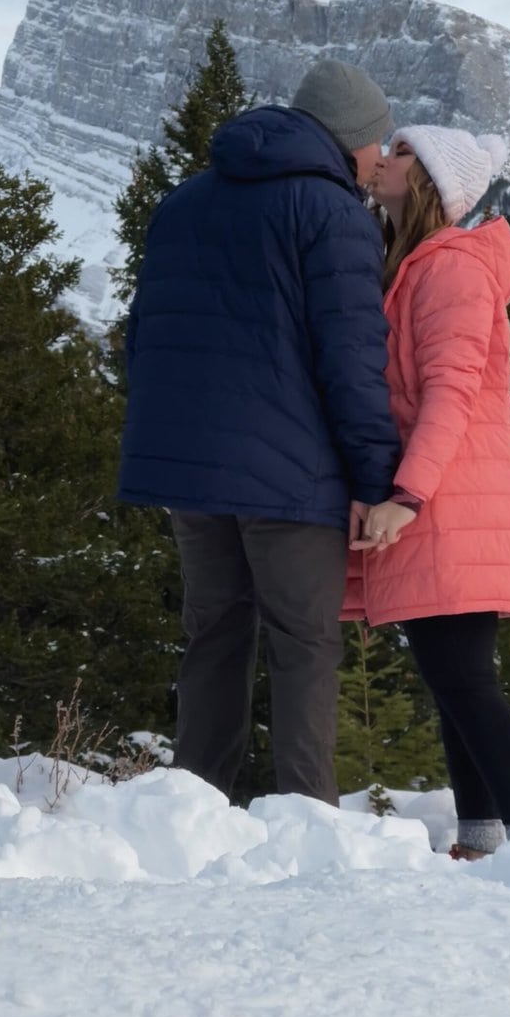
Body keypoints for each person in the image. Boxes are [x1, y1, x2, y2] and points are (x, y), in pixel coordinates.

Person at [119, 59, 402, 805]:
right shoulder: (333, 214)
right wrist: (377, 479)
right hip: (290, 473)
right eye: (379, 142)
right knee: (303, 644)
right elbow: (350, 360)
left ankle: (196, 805)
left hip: (190, 468)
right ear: (350, 139)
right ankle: (307, 816)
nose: (382, 159)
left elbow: (142, 334)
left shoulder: (182, 203)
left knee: (215, 633)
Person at [345, 124, 510, 858]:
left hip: (452, 501)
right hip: (445, 498)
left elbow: (452, 391)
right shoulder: (411, 265)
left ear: (431, 179)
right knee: (455, 678)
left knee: (464, 679)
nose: (385, 159)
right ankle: (482, 836)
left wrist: (408, 495)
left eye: (401, 152)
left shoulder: (452, 269)